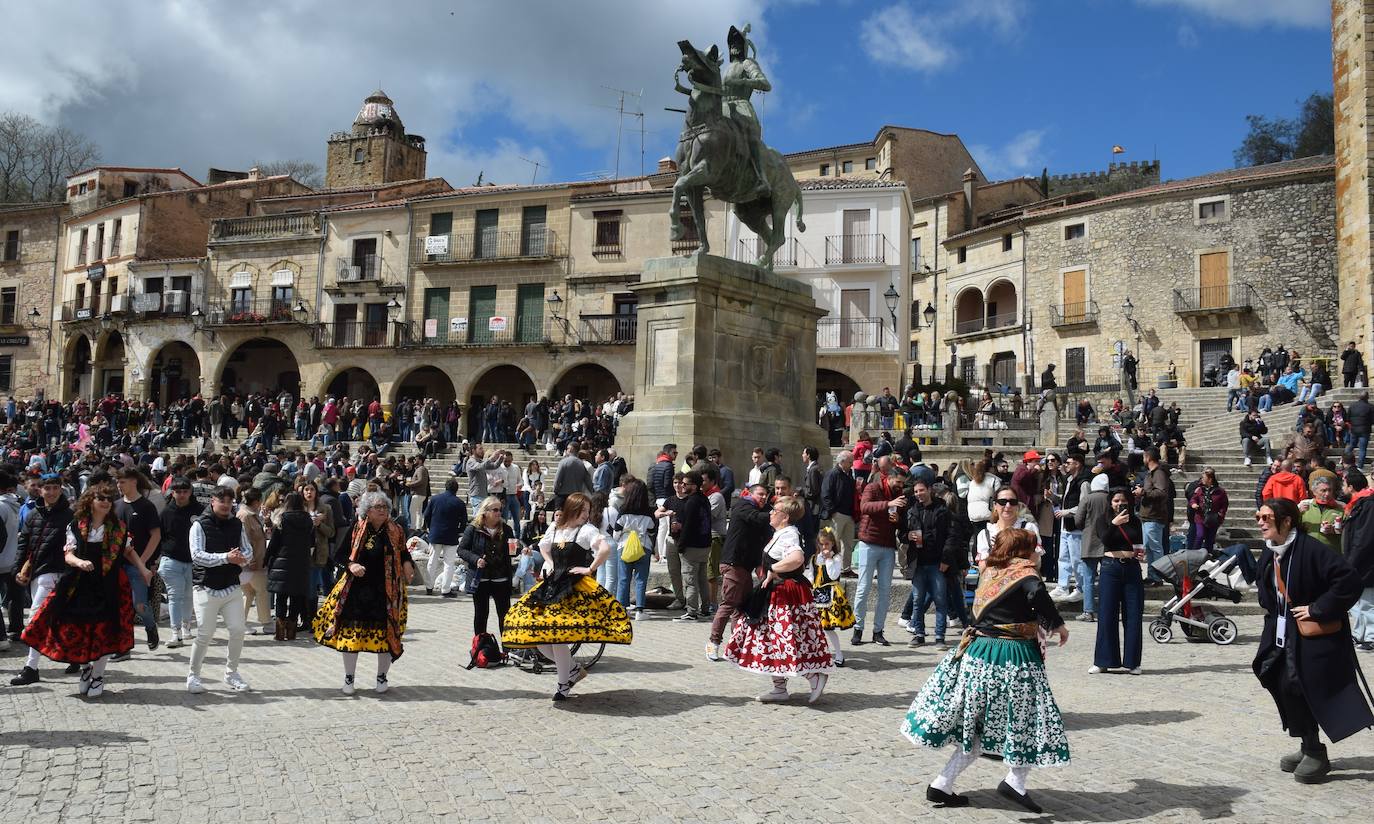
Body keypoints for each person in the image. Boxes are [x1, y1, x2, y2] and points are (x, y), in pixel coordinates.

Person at [903, 528, 1069, 813]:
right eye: (1033, 547)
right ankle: (1015, 781)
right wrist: (1058, 624)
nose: (1037, 552)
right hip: (1011, 655)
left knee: (976, 726)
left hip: (978, 653)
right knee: (1026, 717)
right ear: (1022, 551)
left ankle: (942, 783)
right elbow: (1037, 594)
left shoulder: (991, 573)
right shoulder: (1025, 574)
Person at [1253, 497, 1373, 783]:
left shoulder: (1312, 550)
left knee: (1304, 687)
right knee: (1282, 683)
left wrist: (1317, 608)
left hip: (1313, 638)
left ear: (1286, 521)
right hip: (1282, 632)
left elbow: (1349, 581)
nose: (1260, 522)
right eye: (1259, 516)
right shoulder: (1271, 550)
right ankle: (1308, 744)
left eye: (1266, 518)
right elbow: (1265, 586)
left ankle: (1316, 753)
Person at [13, 482, 144, 698]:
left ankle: (99, 675)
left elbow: (129, 551)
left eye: (109, 499)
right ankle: (85, 668)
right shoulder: (76, 525)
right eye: (101, 498)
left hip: (108, 585)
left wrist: (144, 571)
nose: (105, 502)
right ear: (91, 501)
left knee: (105, 631)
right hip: (78, 584)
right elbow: (68, 555)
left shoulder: (119, 527)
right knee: (75, 628)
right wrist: (79, 562)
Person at [502, 492, 632, 700]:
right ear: (573, 509)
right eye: (583, 511)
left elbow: (605, 548)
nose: (586, 515)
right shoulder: (555, 528)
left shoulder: (586, 530)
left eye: (588, 511)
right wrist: (551, 562)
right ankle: (571, 670)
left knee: (557, 635)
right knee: (540, 636)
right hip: (552, 584)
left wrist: (589, 569)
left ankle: (563, 684)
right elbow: (543, 547)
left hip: (572, 587)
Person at [724, 496, 833, 703]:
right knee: (770, 639)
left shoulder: (789, 534)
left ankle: (813, 676)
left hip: (785, 595)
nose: (771, 512)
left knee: (785, 639)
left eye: (775, 510)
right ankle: (779, 688)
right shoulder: (780, 533)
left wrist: (773, 569)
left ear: (785, 516)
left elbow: (797, 558)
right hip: (774, 594)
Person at [315, 491, 415, 695]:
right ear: (367, 511)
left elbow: (403, 552)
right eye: (378, 507)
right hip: (356, 590)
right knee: (351, 636)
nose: (383, 511)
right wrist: (351, 565)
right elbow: (340, 555)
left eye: (385, 507)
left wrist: (407, 564)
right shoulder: (357, 528)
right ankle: (349, 679)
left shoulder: (396, 529)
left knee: (387, 635)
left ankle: (381, 678)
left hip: (386, 591)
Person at [185, 486, 253, 694]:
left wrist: (243, 558)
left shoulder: (236, 524)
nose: (225, 505)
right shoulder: (199, 525)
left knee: (238, 630)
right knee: (205, 633)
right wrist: (226, 557)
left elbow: (248, 549)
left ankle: (231, 673)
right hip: (205, 586)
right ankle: (193, 676)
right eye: (221, 500)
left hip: (231, 586)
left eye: (229, 501)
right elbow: (196, 555)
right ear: (212, 501)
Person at [708, 483, 772, 661]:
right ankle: (713, 644)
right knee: (728, 604)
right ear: (750, 494)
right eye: (760, 494)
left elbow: (762, 538)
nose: (763, 497)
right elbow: (756, 518)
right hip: (733, 563)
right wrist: (777, 514)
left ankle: (736, 647)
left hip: (746, 565)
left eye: (765, 495)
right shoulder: (743, 506)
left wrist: (760, 565)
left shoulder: (762, 510)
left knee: (740, 608)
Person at [852, 456, 907, 646]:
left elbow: (899, 520)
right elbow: (864, 507)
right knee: (863, 588)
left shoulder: (899, 495)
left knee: (885, 591)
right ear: (889, 478)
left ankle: (878, 631)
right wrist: (888, 504)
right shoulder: (873, 487)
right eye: (898, 482)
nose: (900, 486)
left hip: (888, 545)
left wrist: (898, 518)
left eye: (903, 483)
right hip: (869, 542)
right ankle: (858, 628)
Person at [1092, 488, 1145, 675]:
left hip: (1131, 567)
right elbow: (1104, 539)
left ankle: (1133, 662)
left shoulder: (1135, 521)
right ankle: (1104, 661)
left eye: (1123, 501)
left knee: (1133, 614)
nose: (1119, 504)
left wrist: (1140, 552)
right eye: (1115, 501)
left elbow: (1138, 542)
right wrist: (1114, 524)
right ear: (1110, 502)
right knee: (1107, 614)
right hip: (1110, 567)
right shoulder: (1102, 520)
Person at [115, 468, 162, 651]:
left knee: (139, 605)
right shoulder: (116, 505)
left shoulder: (146, 506)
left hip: (138, 566)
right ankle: (124, 645)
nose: (119, 485)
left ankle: (150, 626)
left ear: (134, 481)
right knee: (121, 607)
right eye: (118, 482)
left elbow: (156, 536)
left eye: (123, 481)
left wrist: (142, 562)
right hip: (118, 565)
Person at [458, 495, 516, 640]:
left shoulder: (507, 529)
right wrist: (476, 559)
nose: (498, 513)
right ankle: (480, 648)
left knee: (505, 615)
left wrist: (520, 549)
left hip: (500, 577)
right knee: (481, 615)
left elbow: (512, 551)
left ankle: (508, 648)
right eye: (495, 510)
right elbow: (462, 550)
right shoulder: (473, 528)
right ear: (485, 511)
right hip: (480, 578)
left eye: (500, 510)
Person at [902, 477, 951, 649]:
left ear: (929, 489)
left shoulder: (942, 509)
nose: (918, 494)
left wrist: (946, 559)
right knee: (917, 600)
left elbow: (949, 537)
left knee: (940, 599)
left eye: (921, 490)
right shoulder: (912, 510)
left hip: (937, 562)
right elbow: (903, 533)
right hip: (918, 562)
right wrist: (907, 536)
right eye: (916, 492)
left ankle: (939, 637)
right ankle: (919, 634)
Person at [157, 476, 202, 649]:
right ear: (172, 493)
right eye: (178, 492)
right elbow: (159, 536)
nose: (182, 495)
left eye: (185, 491)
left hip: (194, 561)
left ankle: (186, 626)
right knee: (175, 597)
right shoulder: (166, 512)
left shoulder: (200, 510)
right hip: (171, 560)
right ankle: (175, 633)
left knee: (189, 595)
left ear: (190, 492)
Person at [265, 491, 314, 641]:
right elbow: (312, 543)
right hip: (301, 562)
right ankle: (291, 631)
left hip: (283, 561)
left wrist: (266, 559)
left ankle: (280, 633)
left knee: (281, 596)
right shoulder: (309, 521)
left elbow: (274, 543)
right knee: (297, 596)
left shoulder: (282, 519)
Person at [611, 477, 655, 619]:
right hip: (644, 547)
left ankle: (621, 609)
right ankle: (640, 610)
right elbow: (652, 530)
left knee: (623, 578)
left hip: (624, 546)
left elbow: (616, 531)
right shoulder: (648, 512)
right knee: (641, 578)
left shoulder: (623, 510)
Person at [810, 527, 854, 666]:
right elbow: (811, 576)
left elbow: (833, 575)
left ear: (832, 544)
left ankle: (839, 654)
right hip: (816, 595)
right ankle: (818, 653)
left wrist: (828, 560)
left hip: (831, 595)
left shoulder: (836, 558)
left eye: (827, 544)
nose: (824, 547)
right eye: (821, 544)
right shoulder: (814, 559)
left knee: (828, 628)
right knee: (814, 627)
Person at [423, 478, 469, 598]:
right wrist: (459, 531)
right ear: (456, 489)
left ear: (445, 487)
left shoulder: (434, 499)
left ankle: (429, 587)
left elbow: (426, 515)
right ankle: (445, 589)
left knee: (432, 561)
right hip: (451, 536)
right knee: (449, 563)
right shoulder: (459, 503)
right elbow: (464, 522)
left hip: (436, 534)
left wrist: (430, 528)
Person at [238, 488, 272, 635]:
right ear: (257, 501)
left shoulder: (250, 515)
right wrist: (249, 559)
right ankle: (267, 623)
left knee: (249, 593)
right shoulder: (245, 516)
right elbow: (243, 539)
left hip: (253, 561)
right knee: (262, 591)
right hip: (252, 563)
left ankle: (241, 623)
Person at [1138, 449, 1173, 585]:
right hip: (1147, 515)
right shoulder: (1151, 474)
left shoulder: (1158, 473)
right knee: (1149, 547)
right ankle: (1152, 576)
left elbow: (1161, 493)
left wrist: (1144, 493)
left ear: (1148, 457)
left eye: (1143, 457)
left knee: (1155, 548)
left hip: (1154, 516)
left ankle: (1159, 577)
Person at [819, 451, 857, 575]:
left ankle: (846, 568)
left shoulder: (849, 474)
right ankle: (830, 567)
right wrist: (833, 511)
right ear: (842, 462)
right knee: (833, 542)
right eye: (850, 462)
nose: (852, 464)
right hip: (837, 514)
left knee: (848, 544)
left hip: (849, 514)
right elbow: (825, 494)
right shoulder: (832, 474)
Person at [1188, 468, 1229, 551]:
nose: (1202, 479)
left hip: (1213, 518)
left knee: (1210, 540)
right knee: (1200, 535)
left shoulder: (1220, 492)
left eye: (1204, 478)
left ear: (1210, 479)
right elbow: (1193, 499)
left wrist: (1220, 514)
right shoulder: (1199, 490)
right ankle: (1194, 553)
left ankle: (1208, 555)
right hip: (1200, 517)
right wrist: (1193, 504)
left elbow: (1224, 504)